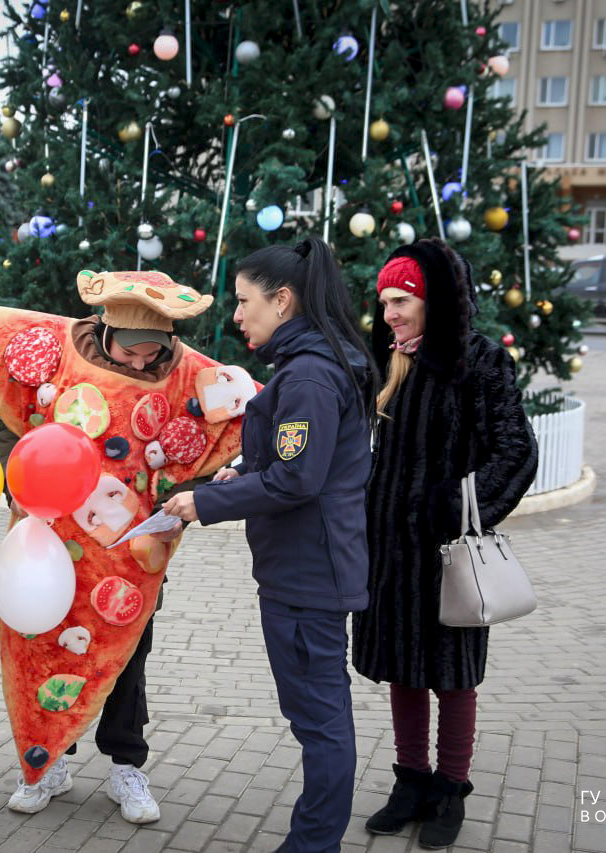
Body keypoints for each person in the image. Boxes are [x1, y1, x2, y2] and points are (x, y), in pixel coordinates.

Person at [0, 269, 252, 826]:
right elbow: (16, 427)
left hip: (133, 556)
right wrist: (15, 482)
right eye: (131, 350)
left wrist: (188, 499)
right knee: (47, 648)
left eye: (155, 352)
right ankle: (47, 758)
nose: (142, 363)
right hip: (53, 550)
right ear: (104, 330)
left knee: (128, 660)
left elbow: (200, 450)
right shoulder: (57, 359)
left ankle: (127, 764)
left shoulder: (189, 378)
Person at [164, 236, 377, 852]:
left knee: (320, 720)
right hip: (305, 566)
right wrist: (243, 472)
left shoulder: (309, 372)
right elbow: (298, 461)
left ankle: (314, 844)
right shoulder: (311, 362)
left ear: (282, 300)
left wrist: (205, 502)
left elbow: (299, 478)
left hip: (309, 574)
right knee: (316, 715)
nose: (236, 315)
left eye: (243, 300)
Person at [351, 238, 537, 849]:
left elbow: (516, 450)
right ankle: (411, 781)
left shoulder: (478, 361)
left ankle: (450, 789)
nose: (391, 314)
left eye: (402, 300)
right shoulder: (391, 360)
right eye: (384, 302)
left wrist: (456, 507)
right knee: (403, 668)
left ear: (434, 300)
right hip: (390, 551)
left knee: (453, 676)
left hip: (447, 551)